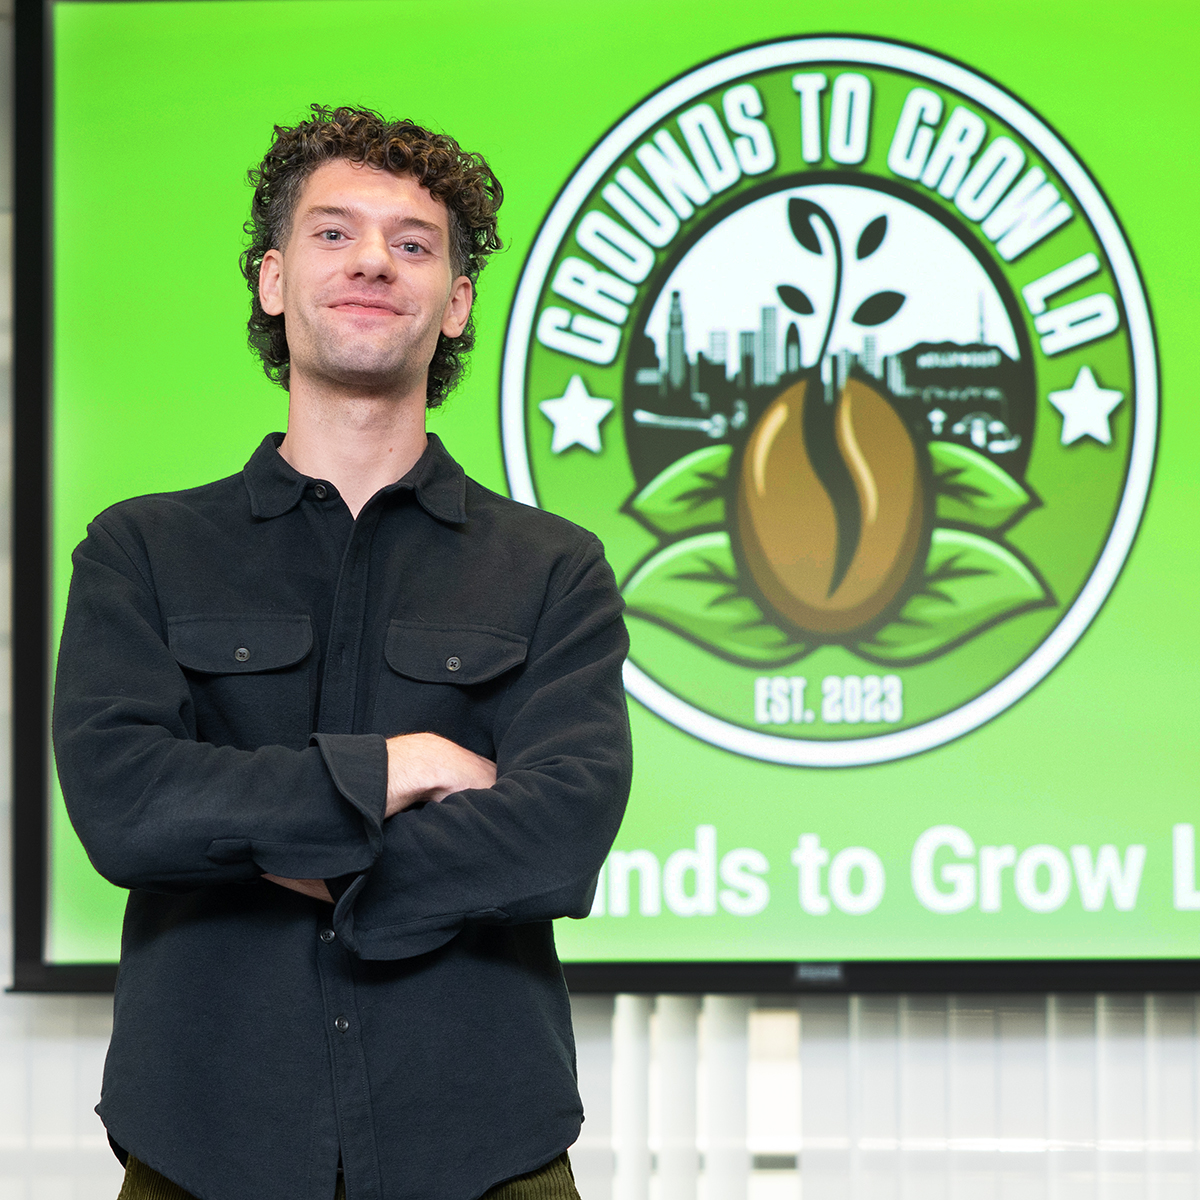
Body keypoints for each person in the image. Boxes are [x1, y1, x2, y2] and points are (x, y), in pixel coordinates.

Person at [52, 105, 633, 1200]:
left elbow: (559, 838)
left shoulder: (556, 566)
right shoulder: (143, 549)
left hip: (486, 1149)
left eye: (413, 244)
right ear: (273, 281)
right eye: (333, 233)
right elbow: (126, 808)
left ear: (455, 305)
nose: (373, 259)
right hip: (199, 1144)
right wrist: (393, 771)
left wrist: (274, 842)